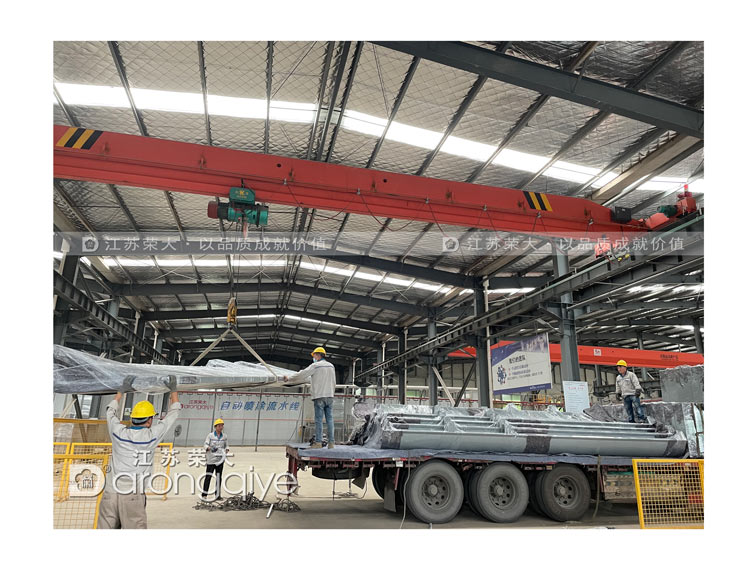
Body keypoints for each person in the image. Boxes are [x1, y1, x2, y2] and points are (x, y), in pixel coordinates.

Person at [98, 375, 181, 529]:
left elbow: (110, 412)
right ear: (149, 420)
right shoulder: (151, 436)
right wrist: (173, 390)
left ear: (133, 418)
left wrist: (121, 391)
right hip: (132, 496)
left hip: (110, 493)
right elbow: (173, 413)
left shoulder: (117, 432)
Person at [284, 346, 336, 449]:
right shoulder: (331, 366)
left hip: (319, 396)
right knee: (330, 420)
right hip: (330, 396)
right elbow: (332, 381)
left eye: (314, 355)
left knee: (319, 420)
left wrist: (289, 378)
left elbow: (302, 374)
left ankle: (318, 443)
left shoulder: (315, 366)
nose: (314, 357)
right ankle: (331, 443)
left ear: (318, 355)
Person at [201, 418, 229, 500]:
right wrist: (209, 448)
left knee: (219, 477)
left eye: (222, 425)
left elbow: (226, 445)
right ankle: (204, 495)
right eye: (219, 426)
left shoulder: (224, 436)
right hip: (211, 460)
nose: (221, 427)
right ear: (215, 427)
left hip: (220, 460)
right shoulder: (210, 436)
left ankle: (217, 495)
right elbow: (205, 445)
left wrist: (226, 449)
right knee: (208, 477)